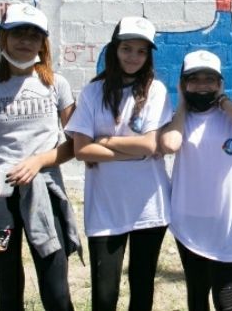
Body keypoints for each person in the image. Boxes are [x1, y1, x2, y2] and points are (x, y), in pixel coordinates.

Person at [0, 3, 82, 311]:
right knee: (8, 288)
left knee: (56, 289)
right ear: (3, 38)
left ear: (43, 43)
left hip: (45, 198)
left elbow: (77, 144)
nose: (25, 41)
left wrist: (39, 161)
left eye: (34, 35)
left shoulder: (57, 85)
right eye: (17, 33)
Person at [65, 16, 172, 311]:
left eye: (141, 51)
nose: (133, 57)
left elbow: (149, 145)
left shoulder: (156, 91)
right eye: (126, 48)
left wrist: (105, 141)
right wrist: (133, 151)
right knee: (104, 295)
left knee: (142, 288)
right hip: (105, 207)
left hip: (149, 208)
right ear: (114, 49)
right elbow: (81, 150)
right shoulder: (92, 92)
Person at [159, 50, 232, 311]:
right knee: (197, 295)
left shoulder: (230, 118)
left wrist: (223, 100)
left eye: (209, 79)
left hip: (227, 223)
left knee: (227, 299)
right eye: (194, 79)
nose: (202, 85)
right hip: (189, 223)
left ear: (219, 83)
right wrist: (182, 103)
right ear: (183, 84)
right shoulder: (179, 119)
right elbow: (170, 144)